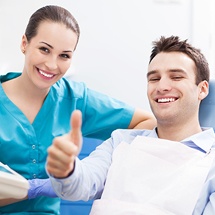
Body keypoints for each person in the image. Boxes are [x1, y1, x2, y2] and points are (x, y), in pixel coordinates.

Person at [0, 4, 156, 215]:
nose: (52, 65)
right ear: (24, 44)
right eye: (44, 49)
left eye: (64, 55)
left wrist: (94, 168)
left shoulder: (76, 100)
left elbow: (147, 123)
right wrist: (31, 190)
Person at [46, 35, 215, 215]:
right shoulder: (121, 142)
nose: (162, 86)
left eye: (176, 77)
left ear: (202, 89)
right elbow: (82, 183)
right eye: (154, 78)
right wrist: (67, 168)